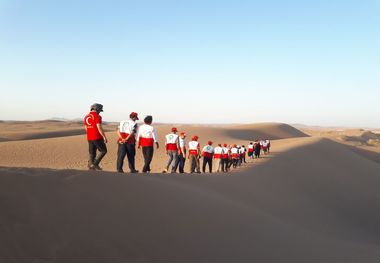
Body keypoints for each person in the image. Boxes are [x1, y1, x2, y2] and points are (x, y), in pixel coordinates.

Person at [84, 103, 108, 170]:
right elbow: (99, 127)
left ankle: (90, 166)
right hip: (97, 137)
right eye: (99, 110)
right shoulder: (97, 116)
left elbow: (86, 128)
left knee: (92, 152)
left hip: (89, 137)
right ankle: (95, 164)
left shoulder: (86, 116)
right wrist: (104, 137)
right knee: (103, 151)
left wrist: (90, 133)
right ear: (96, 109)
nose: (100, 112)